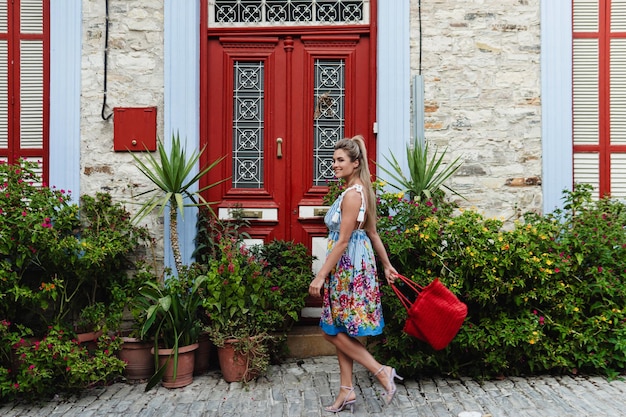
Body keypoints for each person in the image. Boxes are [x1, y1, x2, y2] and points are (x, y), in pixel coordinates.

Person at [308, 135, 402, 413]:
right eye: (334, 159)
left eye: (340, 160)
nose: (334, 165)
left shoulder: (352, 195)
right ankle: (347, 391)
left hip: (348, 267)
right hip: (358, 265)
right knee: (340, 327)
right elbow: (372, 233)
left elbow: (343, 241)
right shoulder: (362, 191)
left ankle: (381, 371)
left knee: (330, 330)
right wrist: (386, 265)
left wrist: (321, 275)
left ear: (355, 163)